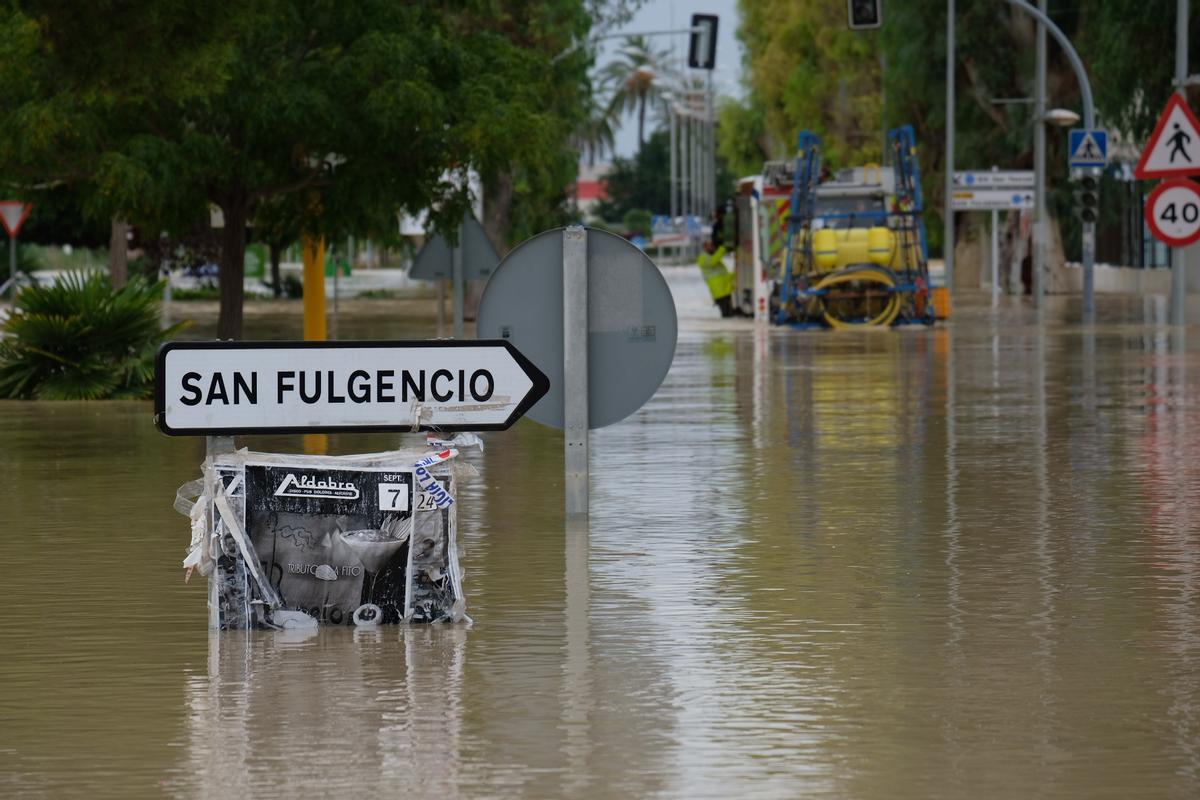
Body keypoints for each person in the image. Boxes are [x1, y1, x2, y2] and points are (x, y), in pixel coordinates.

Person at [697, 240, 744, 318]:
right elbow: (713, 261)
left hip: (725, 290)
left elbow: (723, 274)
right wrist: (722, 249)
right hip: (719, 293)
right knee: (726, 315)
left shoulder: (713, 257)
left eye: (712, 245)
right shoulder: (703, 258)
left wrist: (736, 273)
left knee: (730, 314)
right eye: (710, 245)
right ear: (705, 247)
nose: (712, 247)